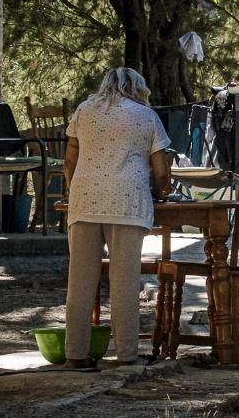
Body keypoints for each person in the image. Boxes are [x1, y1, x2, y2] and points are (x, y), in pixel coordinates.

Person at [62, 68, 172, 369]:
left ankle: (75, 354)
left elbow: (70, 159)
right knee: (124, 281)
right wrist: (164, 189)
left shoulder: (84, 110)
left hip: (85, 201)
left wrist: (74, 190)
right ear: (137, 88)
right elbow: (161, 170)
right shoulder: (146, 116)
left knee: (80, 282)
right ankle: (126, 355)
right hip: (126, 200)